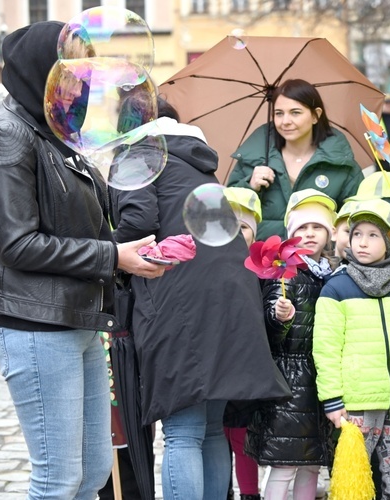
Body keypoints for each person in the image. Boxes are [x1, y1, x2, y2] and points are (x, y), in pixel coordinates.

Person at [0, 21, 166, 499]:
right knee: (58, 480)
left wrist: (130, 248)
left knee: (93, 474)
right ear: (38, 70)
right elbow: (17, 244)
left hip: (80, 318)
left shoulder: (56, 137)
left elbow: (80, 224)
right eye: (69, 70)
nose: (81, 83)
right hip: (35, 325)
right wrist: (114, 256)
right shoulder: (8, 133)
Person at [111, 97, 291, 499]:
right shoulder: (196, 162)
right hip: (232, 298)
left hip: (181, 300)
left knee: (181, 431)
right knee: (210, 428)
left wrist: (102, 250)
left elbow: (138, 223)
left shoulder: (139, 153)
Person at [313, 198, 390, 500]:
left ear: (389, 240)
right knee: (355, 478)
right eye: (357, 234)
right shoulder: (336, 288)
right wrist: (332, 399)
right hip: (356, 404)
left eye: (373, 235)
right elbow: (326, 348)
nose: (362, 242)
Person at [246, 189, 336, 500]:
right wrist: (278, 316)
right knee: (283, 463)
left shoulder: (330, 274)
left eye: (317, 228)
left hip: (320, 380)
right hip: (290, 380)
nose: (309, 234)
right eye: (302, 228)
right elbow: (270, 327)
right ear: (290, 234)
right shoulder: (284, 271)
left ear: (330, 233)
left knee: (311, 463)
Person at [228, 78, 364, 240]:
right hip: (262, 260)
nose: (285, 121)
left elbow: (356, 222)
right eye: (279, 113)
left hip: (321, 262)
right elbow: (227, 216)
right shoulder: (254, 159)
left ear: (316, 116)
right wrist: (250, 186)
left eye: (295, 113)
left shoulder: (341, 164)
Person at [222, 186, 264, 500]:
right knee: (214, 439)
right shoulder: (205, 267)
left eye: (244, 227)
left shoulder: (261, 273)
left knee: (241, 437)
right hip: (216, 364)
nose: (235, 233)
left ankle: (250, 494)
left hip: (245, 367)